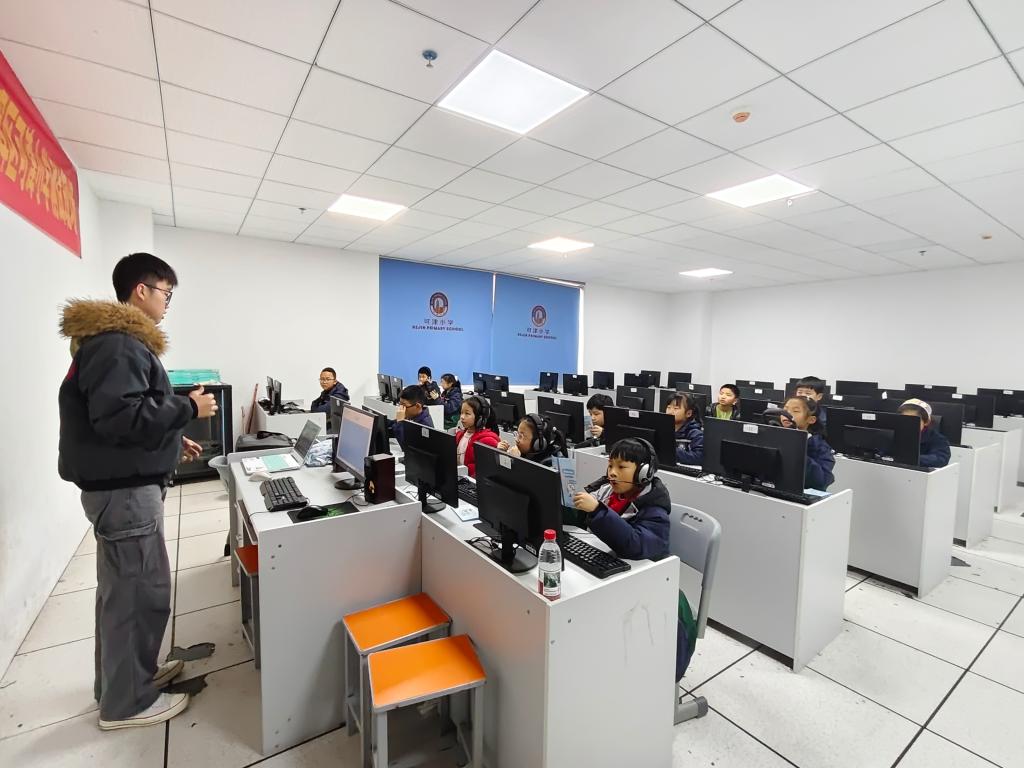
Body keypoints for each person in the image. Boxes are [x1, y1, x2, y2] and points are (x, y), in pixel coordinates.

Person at [59, 252, 218, 730]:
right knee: (137, 595)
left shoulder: (110, 342)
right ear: (141, 290)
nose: (168, 303)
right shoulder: (119, 344)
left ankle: (125, 681)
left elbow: (122, 415)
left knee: (121, 592)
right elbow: (120, 418)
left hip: (119, 489)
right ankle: (128, 702)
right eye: (166, 293)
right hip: (125, 493)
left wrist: (171, 438)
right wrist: (188, 409)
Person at [570, 438, 691, 681]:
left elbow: (635, 544)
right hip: (617, 575)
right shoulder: (608, 492)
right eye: (610, 465)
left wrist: (598, 511)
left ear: (644, 472)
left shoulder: (654, 509)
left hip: (646, 588)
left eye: (621, 467)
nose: (612, 473)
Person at [779, 396, 835, 490]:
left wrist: (796, 448)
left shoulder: (820, 447)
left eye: (796, 411)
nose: (787, 414)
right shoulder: (774, 436)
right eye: (785, 410)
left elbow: (821, 481)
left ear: (811, 419)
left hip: (800, 493)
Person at [496, 414, 566, 466]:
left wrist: (516, 461)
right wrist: (501, 455)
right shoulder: (525, 454)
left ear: (538, 443)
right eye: (517, 434)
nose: (517, 440)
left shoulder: (551, 465)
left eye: (521, 436)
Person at [455, 395, 499, 477]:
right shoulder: (459, 435)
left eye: (467, 414)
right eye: (461, 413)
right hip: (459, 478)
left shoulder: (488, 441)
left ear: (480, 418)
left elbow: (486, 471)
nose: (462, 417)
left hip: (472, 482)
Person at [899, 399, 951, 468]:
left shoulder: (938, 439)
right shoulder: (896, 434)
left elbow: (940, 459)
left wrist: (912, 459)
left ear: (926, 422)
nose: (907, 424)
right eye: (904, 419)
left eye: (912, 420)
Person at [389, 384, 434, 449]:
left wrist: (399, 422)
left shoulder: (424, 426)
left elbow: (406, 447)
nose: (401, 409)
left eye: (404, 405)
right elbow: (392, 424)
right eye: (400, 404)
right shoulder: (412, 416)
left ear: (417, 406)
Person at [666, 393, 704, 466]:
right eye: (668, 407)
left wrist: (670, 451)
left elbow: (699, 457)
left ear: (688, 413)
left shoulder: (695, 433)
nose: (670, 412)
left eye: (675, 408)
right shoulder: (664, 429)